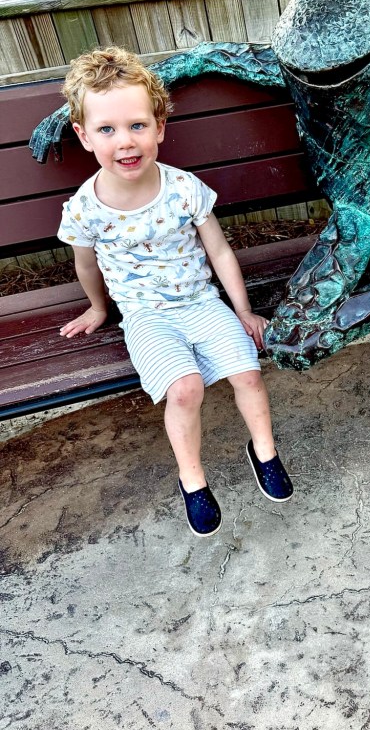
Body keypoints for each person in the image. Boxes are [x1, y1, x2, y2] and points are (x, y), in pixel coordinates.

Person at [56, 47, 293, 538]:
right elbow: (86, 264)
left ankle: (265, 451)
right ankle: (193, 480)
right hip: (147, 316)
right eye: (107, 129)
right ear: (84, 135)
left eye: (137, 126)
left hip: (202, 303)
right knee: (184, 388)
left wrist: (243, 310)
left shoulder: (184, 189)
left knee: (248, 372)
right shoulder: (84, 209)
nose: (126, 141)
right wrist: (99, 308)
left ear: (159, 128)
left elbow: (220, 252)